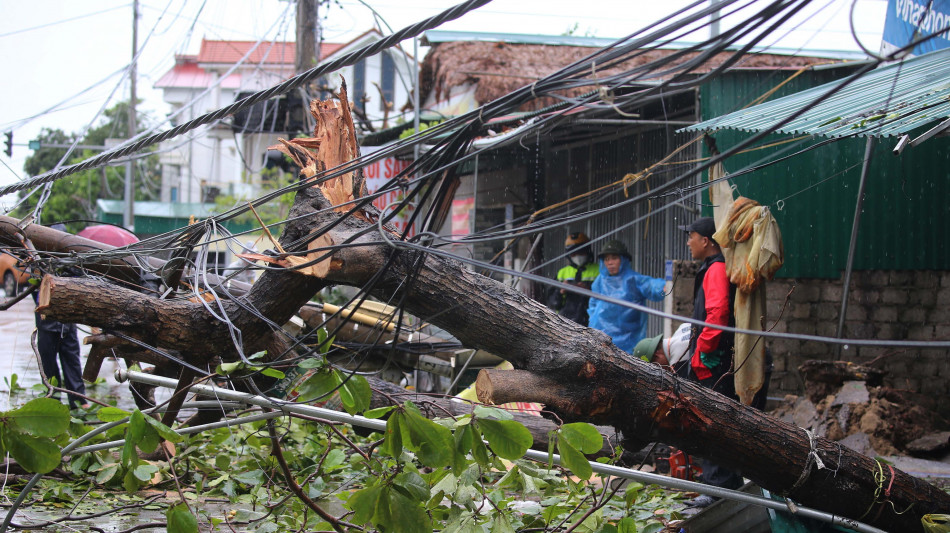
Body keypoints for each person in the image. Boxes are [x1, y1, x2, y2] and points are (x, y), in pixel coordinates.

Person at [679, 216, 743, 505]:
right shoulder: (714, 267)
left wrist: (702, 354)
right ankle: (726, 485)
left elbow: (717, 315)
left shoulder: (716, 269)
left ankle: (715, 489)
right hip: (714, 359)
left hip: (712, 361)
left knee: (711, 423)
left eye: (691, 236)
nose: (688, 242)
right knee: (721, 422)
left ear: (706, 241)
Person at [33, 224, 87, 409]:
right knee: (49, 365)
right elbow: (35, 289)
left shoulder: (72, 263)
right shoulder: (39, 261)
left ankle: (78, 402)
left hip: (67, 323)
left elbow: (81, 281)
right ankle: (53, 400)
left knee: (72, 361)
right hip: (47, 324)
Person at [587, 239, 666, 353]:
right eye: (606, 259)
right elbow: (592, 306)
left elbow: (652, 286)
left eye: (614, 258)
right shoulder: (599, 281)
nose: (610, 262)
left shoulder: (633, 280)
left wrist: (664, 287)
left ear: (623, 260)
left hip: (628, 341)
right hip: (600, 341)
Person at [549, 232, 599, 326]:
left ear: (588, 251)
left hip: (592, 321)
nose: (578, 256)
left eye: (581, 252)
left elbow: (606, 296)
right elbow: (552, 302)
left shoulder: (599, 270)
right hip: (566, 322)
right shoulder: (562, 273)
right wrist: (561, 291)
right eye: (574, 254)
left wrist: (589, 290)